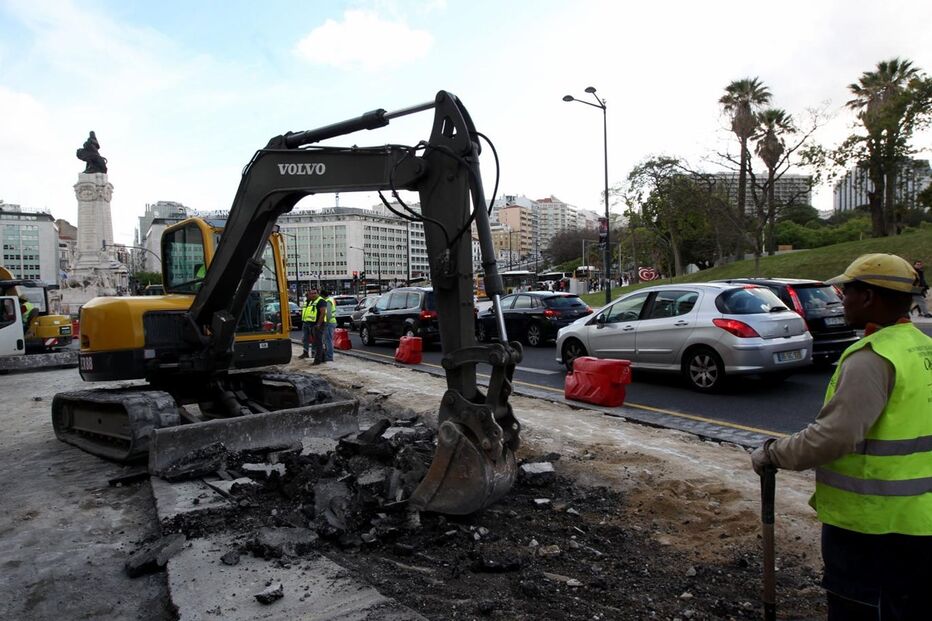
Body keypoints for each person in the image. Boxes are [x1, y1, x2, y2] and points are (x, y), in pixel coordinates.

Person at [751, 253, 932, 620]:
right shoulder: (922, 347)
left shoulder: (872, 357)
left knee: (865, 609)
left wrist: (773, 454)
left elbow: (834, 436)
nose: (840, 300)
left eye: (847, 292)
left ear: (869, 298)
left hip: (873, 526)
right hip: (920, 522)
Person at [298, 289, 318, 359]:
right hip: (305, 322)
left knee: (314, 339)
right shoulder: (306, 302)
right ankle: (305, 352)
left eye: (308, 294)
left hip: (312, 323)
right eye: (307, 294)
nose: (307, 296)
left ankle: (313, 352)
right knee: (305, 338)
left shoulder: (315, 302)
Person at [322, 289, 337, 362]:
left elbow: (328, 314)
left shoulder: (327, 301)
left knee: (328, 340)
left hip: (329, 323)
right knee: (328, 340)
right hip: (331, 322)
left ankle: (329, 356)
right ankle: (329, 355)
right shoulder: (330, 300)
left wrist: (326, 322)